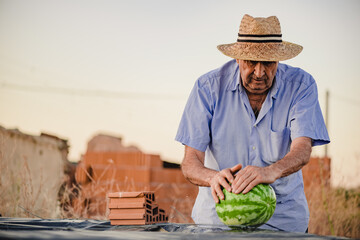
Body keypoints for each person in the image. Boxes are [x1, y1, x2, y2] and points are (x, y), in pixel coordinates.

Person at [175, 14, 330, 233]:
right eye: (251, 62)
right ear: (237, 58)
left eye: (268, 63)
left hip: (284, 222)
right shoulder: (207, 88)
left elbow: (303, 150)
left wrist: (271, 171)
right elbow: (190, 162)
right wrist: (213, 177)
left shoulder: (301, 86)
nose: (259, 72)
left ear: (278, 60)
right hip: (217, 223)